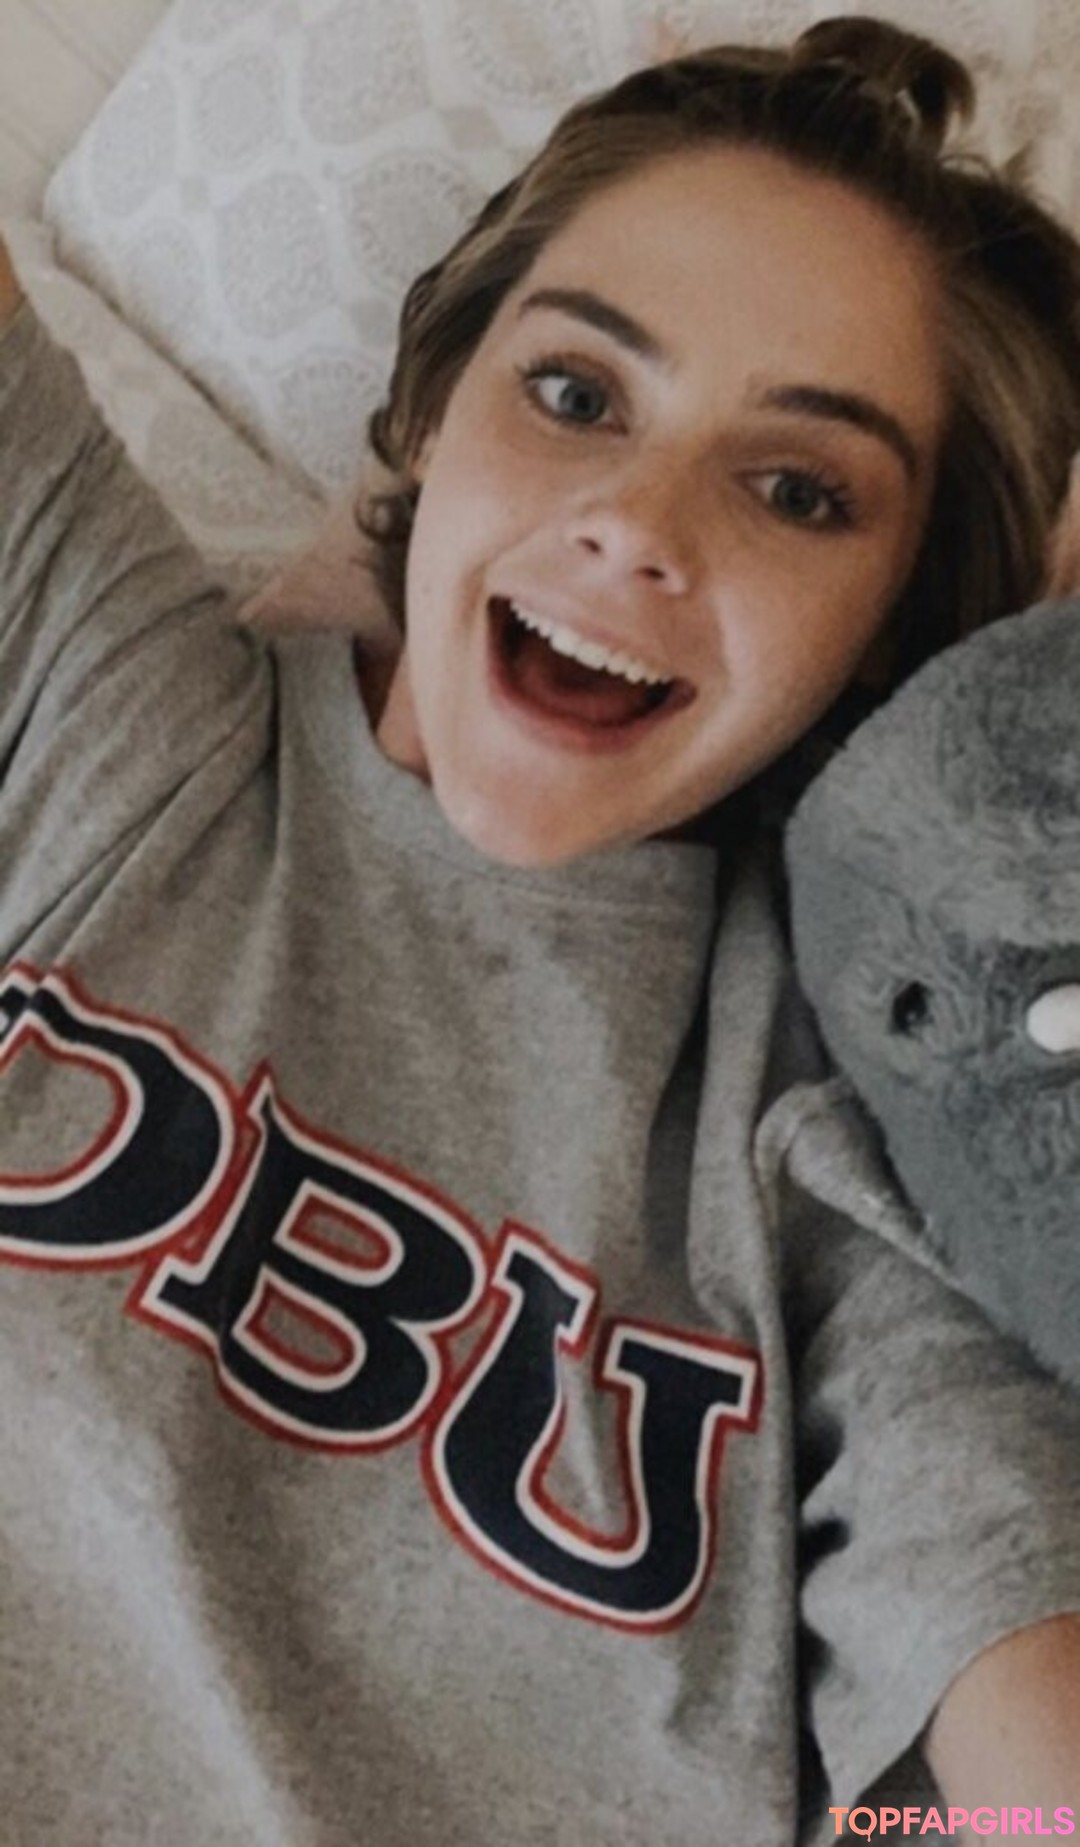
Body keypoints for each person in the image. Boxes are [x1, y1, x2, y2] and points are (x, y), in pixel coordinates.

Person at [0, 16, 1078, 1843]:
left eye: (799, 490)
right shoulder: (119, 699)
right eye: (576, 394)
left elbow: (1026, 1764)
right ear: (434, 409)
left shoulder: (844, 1115)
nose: (635, 527)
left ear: (896, 631)